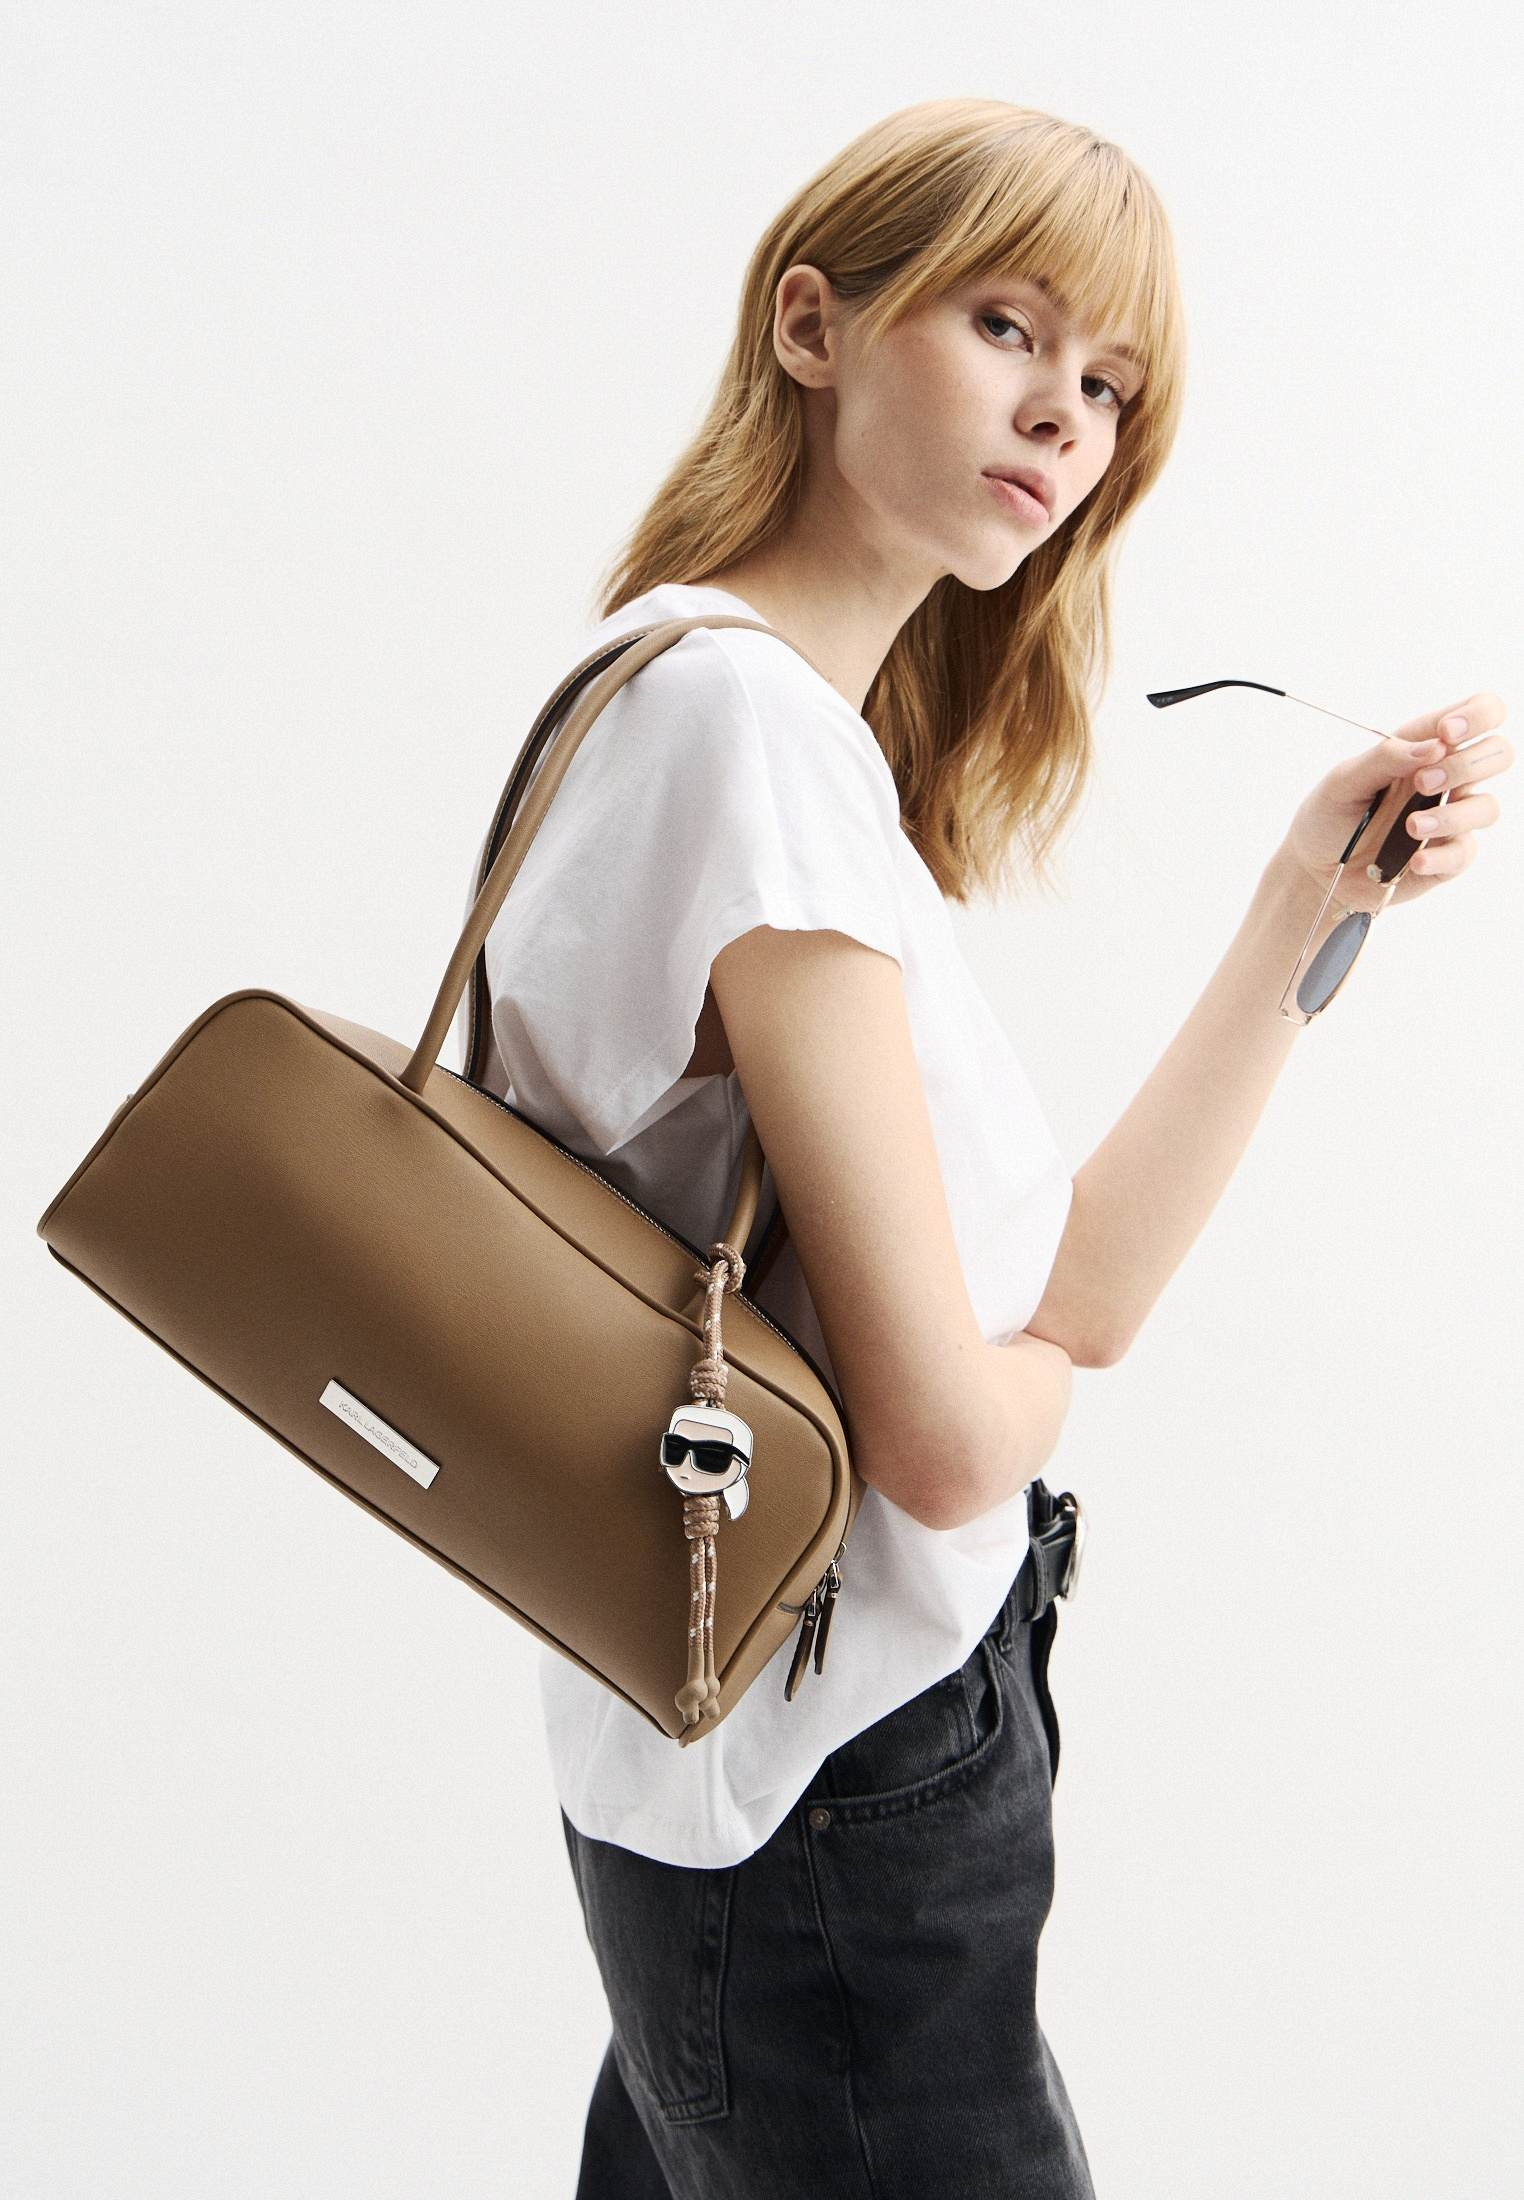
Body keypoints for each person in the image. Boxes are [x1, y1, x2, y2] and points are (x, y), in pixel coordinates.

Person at [474, 95, 1507, 2200]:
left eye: (1111, 384)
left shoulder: (710, 705)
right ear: (813, 326)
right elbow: (949, 1438)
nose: (1064, 415)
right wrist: (1022, 1403)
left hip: (740, 1756)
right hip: (839, 1789)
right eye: (1010, 327)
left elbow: (1078, 1291)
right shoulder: (748, 735)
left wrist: (1303, 906)